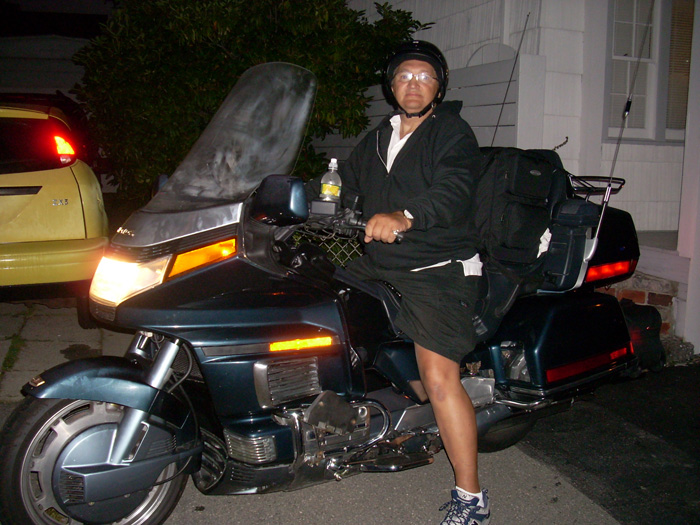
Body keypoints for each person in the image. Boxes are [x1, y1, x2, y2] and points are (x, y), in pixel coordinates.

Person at [325, 40, 490, 524]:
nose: (413, 84)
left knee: (440, 380)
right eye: (404, 76)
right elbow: (344, 183)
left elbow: (454, 191)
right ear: (391, 84)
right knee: (323, 304)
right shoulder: (381, 136)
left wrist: (406, 215)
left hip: (439, 267)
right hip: (384, 263)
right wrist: (300, 198)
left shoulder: (452, 133)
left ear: (439, 86)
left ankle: (472, 499)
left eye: (424, 76)